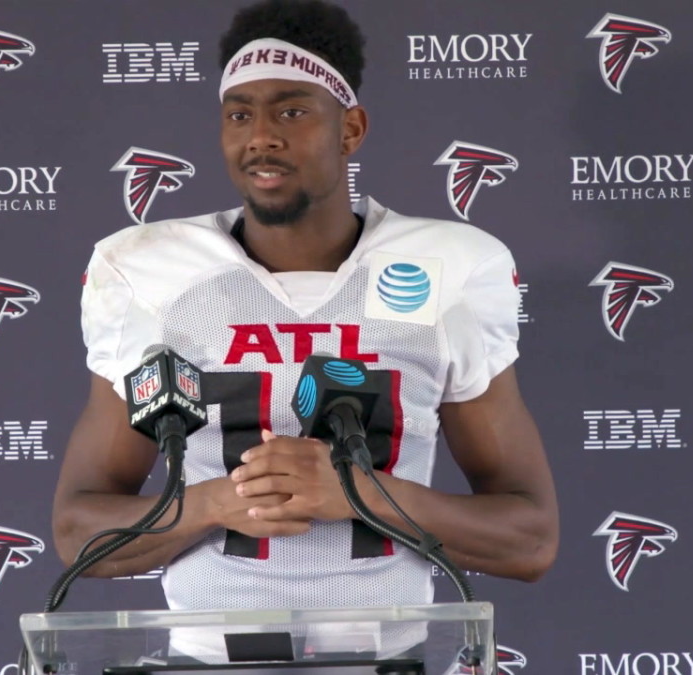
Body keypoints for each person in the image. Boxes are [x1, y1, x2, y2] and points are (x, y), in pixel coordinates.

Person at [52, 0, 558, 612]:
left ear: (350, 129)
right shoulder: (151, 270)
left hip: (389, 652)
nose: (261, 135)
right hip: (210, 656)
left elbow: (529, 539)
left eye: (291, 110)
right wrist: (216, 503)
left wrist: (356, 494)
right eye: (239, 115)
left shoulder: (447, 268)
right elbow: (80, 531)